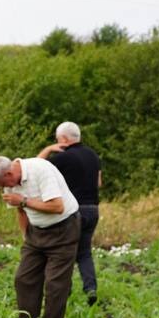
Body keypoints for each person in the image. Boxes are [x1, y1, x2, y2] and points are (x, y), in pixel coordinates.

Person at [0, 155, 81, 318]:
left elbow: (57, 206)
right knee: (24, 279)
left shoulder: (40, 170)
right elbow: (20, 211)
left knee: (55, 286)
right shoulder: (10, 184)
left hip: (64, 230)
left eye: (1, 184)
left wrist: (24, 200)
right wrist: (26, 238)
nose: (2, 189)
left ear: (9, 173)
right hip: (36, 233)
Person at [40, 122, 102, 304]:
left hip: (73, 212)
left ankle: (64, 290)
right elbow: (99, 183)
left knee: (65, 252)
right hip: (93, 210)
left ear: (64, 139)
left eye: (57, 139)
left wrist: (49, 149)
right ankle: (90, 289)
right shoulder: (93, 155)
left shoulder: (63, 158)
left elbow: (36, 168)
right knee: (84, 252)